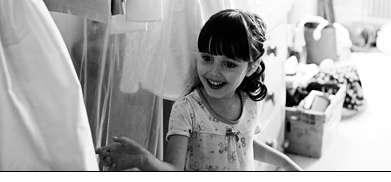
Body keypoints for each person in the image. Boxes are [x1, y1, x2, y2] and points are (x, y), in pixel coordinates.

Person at [98, 9, 299, 171]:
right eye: (207, 58)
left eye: (229, 64)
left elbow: (243, 143)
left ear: (252, 66)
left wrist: (286, 163)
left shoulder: (251, 101)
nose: (214, 71)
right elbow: (173, 170)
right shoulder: (187, 110)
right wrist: (144, 160)